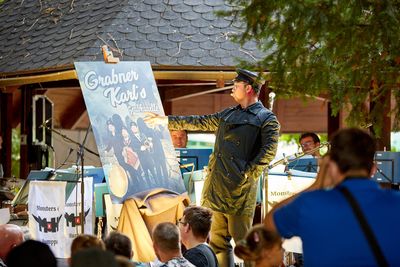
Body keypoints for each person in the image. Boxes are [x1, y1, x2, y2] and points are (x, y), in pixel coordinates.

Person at [145, 69, 280, 267]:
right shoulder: (228, 114)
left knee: (244, 245)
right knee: (217, 244)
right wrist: (165, 120)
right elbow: (198, 121)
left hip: (240, 193)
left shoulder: (267, 118)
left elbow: (268, 151)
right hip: (216, 190)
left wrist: (246, 175)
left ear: (248, 88)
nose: (232, 88)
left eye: (237, 85)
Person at [265, 128, 400, 266]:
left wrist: (316, 185)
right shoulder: (397, 202)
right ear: (373, 168)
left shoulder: (309, 204)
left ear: (332, 167)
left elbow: (269, 225)